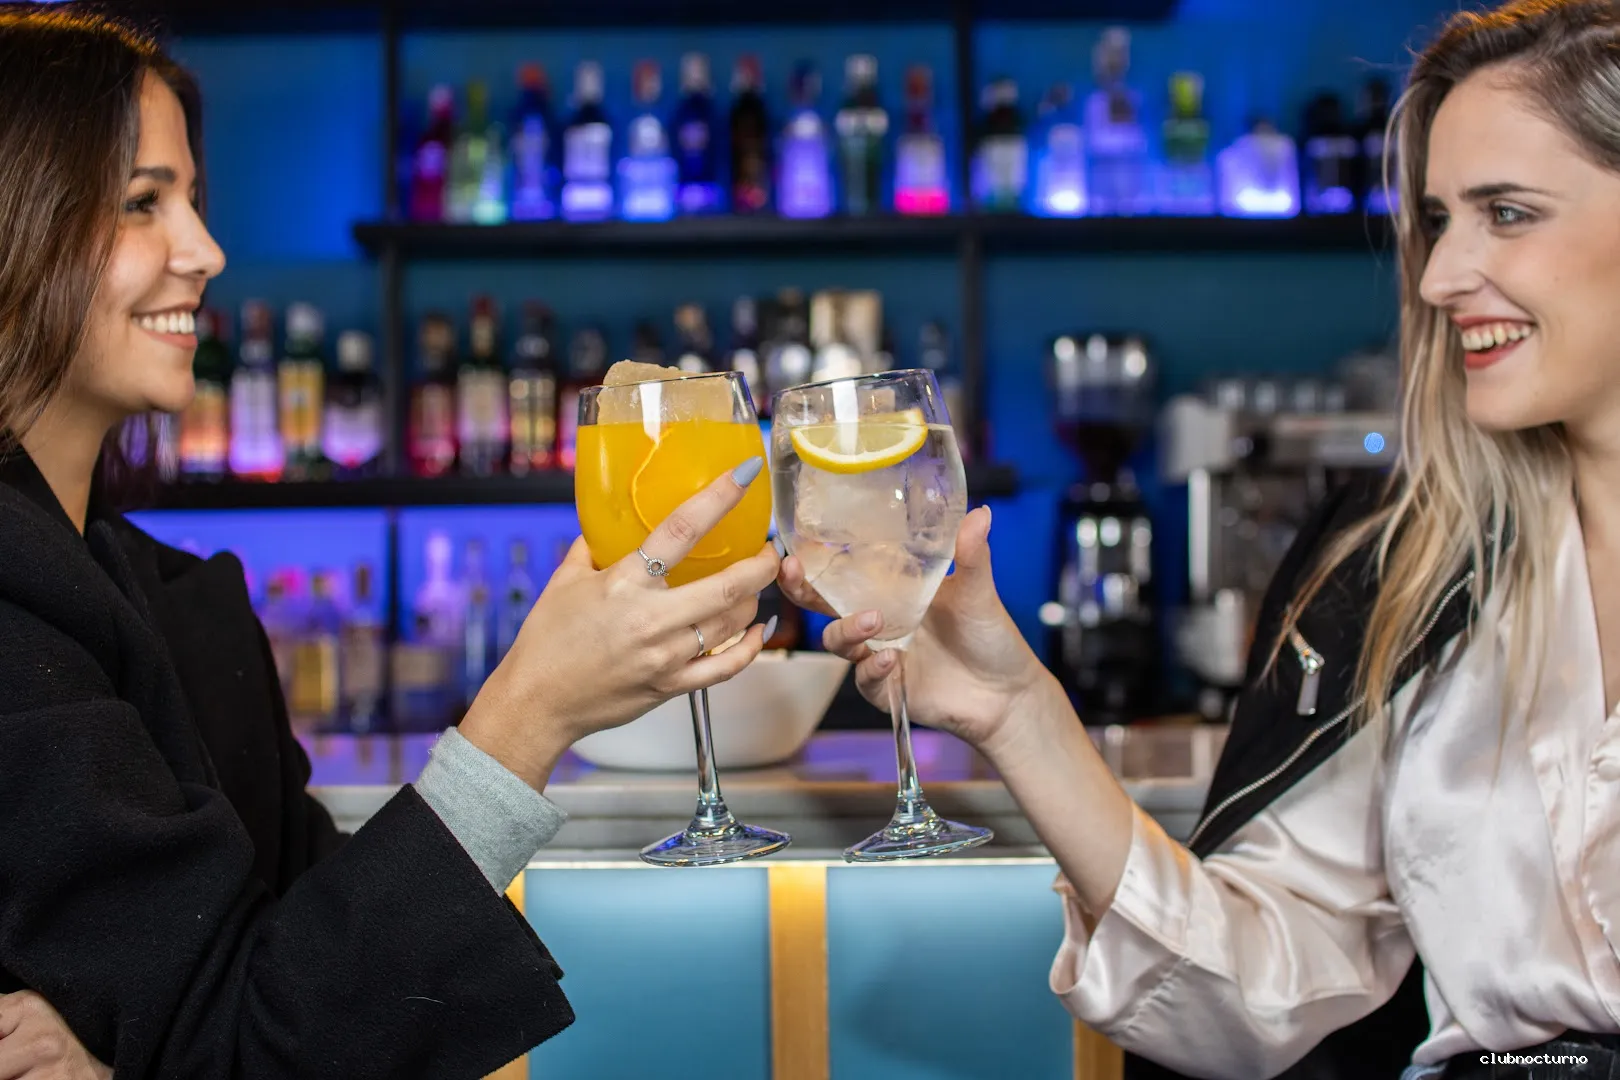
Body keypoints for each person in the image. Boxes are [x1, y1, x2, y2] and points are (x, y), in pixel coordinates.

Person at [784, 2, 1620, 1076]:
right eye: (1437, 219)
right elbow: (1254, 996)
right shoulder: (1404, 570)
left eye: (1506, 213)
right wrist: (1017, 711)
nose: (1437, 276)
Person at [0, 5, 778, 1077]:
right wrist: (530, 710)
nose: (207, 252)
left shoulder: (179, 602)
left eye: (192, 199)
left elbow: (297, 987)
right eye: (144, 201)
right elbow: (252, 1041)